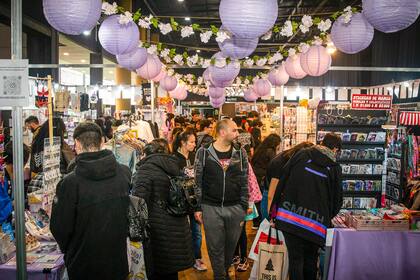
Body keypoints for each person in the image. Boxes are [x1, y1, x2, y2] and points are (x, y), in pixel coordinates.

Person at [50, 122, 130, 280]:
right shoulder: (124, 173)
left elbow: (59, 228)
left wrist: (73, 249)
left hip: (83, 264)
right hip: (117, 261)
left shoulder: (69, 183)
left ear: (77, 144)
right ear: (102, 142)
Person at [272, 133, 342, 280]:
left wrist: (275, 209)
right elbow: (337, 201)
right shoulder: (334, 168)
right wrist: (326, 216)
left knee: (295, 260)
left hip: (290, 218)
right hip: (315, 224)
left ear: (322, 142)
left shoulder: (302, 154)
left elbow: (283, 178)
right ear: (335, 149)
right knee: (311, 261)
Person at [194, 119, 249, 280]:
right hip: (211, 207)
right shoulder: (203, 152)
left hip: (235, 207)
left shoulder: (240, 152)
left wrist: (244, 205)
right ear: (222, 132)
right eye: (234, 130)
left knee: (230, 247)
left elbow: (244, 179)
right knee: (215, 247)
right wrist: (198, 207)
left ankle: (224, 270)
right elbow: (198, 181)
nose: (237, 133)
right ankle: (220, 276)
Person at [133, 139, 194, 280]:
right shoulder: (174, 166)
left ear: (146, 154)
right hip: (177, 228)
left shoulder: (145, 170)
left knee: (157, 270)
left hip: (157, 232)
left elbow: (138, 203)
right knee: (171, 272)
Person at [172, 129, 207, 271]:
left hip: (195, 200)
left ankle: (197, 258)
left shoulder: (196, 156)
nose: (194, 144)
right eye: (191, 142)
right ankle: (181, 258)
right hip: (180, 200)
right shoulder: (173, 158)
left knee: (197, 231)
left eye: (194, 142)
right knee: (180, 231)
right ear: (183, 142)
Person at [266, 142, 314, 216]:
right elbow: (271, 194)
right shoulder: (280, 162)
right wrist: (271, 215)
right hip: (271, 198)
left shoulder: (291, 160)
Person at [250, 134, 281, 228]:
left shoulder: (260, 149)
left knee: (257, 200)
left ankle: (256, 222)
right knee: (264, 200)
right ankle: (263, 222)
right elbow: (274, 165)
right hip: (263, 177)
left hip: (256, 176)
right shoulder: (270, 151)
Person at [0, 142, 30, 224]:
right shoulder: (2, 180)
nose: (24, 167)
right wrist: (13, 204)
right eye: (24, 164)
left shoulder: (11, 176)